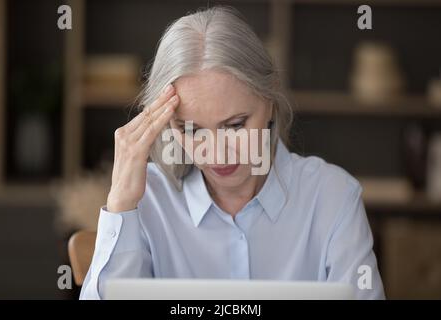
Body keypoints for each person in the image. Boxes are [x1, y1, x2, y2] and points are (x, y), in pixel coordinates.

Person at [80, 6, 385, 300]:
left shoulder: (333, 198)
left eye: (235, 125)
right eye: (191, 129)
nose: (217, 154)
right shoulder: (147, 200)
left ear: (269, 100)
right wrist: (120, 204)